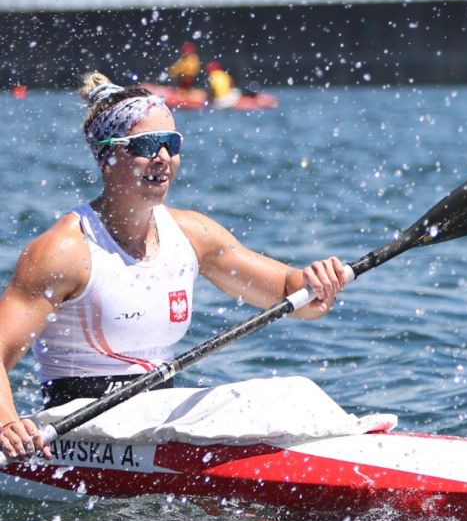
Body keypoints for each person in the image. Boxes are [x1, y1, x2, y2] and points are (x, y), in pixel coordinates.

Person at [0, 73, 347, 460]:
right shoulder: (63, 251)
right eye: (147, 145)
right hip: (80, 427)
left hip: (156, 418)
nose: (163, 157)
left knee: (291, 391)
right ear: (107, 157)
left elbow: (288, 292)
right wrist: (6, 423)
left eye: (172, 143)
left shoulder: (193, 234)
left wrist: (317, 285)